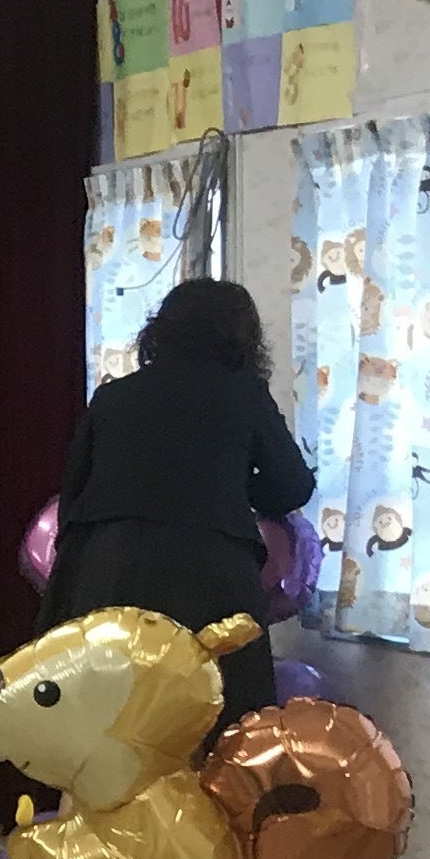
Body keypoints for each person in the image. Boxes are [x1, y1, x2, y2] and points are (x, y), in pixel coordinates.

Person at [44, 278, 314, 723]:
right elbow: (293, 486)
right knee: (217, 718)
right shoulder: (244, 394)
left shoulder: (113, 397)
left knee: (107, 721)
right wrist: (234, 489)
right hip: (209, 572)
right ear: (242, 337)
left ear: (161, 329)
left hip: (109, 568)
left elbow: (74, 495)